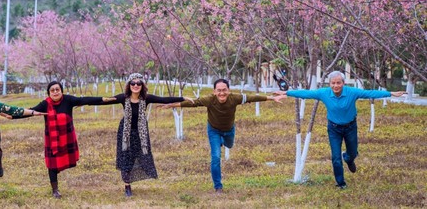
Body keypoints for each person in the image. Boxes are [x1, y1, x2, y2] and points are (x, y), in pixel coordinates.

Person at [274, 71, 405, 189]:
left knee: (353, 152)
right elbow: (306, 93)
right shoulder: (324, 93)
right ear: (329, 83)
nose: (336, 86)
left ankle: (348, 158)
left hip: (350, 127)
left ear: (343, 83)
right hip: (334, 129)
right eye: (333, 83)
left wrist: (391, 93)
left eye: (338, 83)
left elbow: (370, 93)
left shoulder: (352, 92)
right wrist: (286, 93)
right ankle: (340, 183)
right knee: (335, 157)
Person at [159, 78, 282, 194]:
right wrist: (171, 104)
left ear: (228, 90)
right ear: (214, 91)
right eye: (219, 90)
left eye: (224, 90)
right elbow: (193, 103)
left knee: (229, 145)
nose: (222, 93)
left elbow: (253, 97)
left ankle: (223, 141)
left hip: (229, 130)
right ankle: (218, 187)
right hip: (214, 130)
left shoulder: (235, 98)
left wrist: (272, 98)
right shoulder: (209, 99)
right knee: (216, 158)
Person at [98, 73, 188, 197]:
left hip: (141, 133)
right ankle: (127, 185)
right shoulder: (123, 98)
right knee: (125, 157)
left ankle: (133, 178)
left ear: (142, 85)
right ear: (129, 85)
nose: (135, 85)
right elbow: (105, 100)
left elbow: (163, 99)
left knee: (141, 155)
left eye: (138, 83)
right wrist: (85, 102)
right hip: (125, 133)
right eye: (133, 83)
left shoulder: (146, 98)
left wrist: (183, 98)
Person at [26, 80, 115, 199]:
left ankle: (57, 179)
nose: (55, 92)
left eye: (58, 89)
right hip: (52, 140)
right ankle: (55, 190)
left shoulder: (68, 100)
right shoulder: (45, 104)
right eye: (52, 90)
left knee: (60, 163)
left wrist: (103, 99)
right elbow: (30, 111)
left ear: (61, 91)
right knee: (52, 165)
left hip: (66, 138)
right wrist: (12, 115)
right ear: (49, 93)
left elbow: (85, 100)